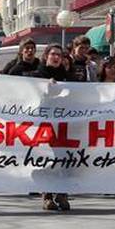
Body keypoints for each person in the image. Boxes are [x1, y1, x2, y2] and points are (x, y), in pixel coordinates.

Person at [30, 44, 73, 211]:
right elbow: (31, 101)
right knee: (48, 160)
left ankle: (62, 193)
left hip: (64, 125)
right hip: (44, 126)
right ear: (46, 56)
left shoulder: (68, 77)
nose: (56, 57)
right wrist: (44, 90)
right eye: (53, 54)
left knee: (65, 160)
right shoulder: (37, 76)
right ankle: (47, 195)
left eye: (59, 55)